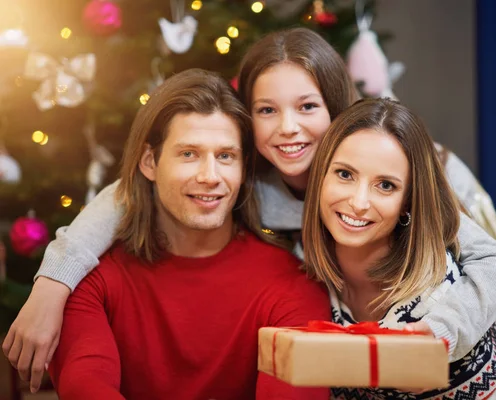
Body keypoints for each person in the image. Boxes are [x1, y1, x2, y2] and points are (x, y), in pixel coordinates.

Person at [4, 28, 496, 393]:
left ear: (337, 108)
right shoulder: (245, 178)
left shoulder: (408, 165)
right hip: (358, 345)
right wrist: (54, 283)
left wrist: (441, 332)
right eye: (265, 111)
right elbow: (126, 196)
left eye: (307, 107)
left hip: (462, 343)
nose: (288, 129)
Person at [39, 69, 331, 399]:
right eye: (188, 154)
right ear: (150, 162)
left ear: (243, 168)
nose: (210, 176)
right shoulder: (91, 279)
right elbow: (85, 384)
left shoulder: (293, 285)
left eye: (225, 156)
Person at [303, 97, 496, 399]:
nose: (359, 203)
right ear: (320, 176)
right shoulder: (309, 281)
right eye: (345, 174)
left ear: (409, 201)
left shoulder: (438, 278)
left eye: (386, 185)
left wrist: (441, 333)